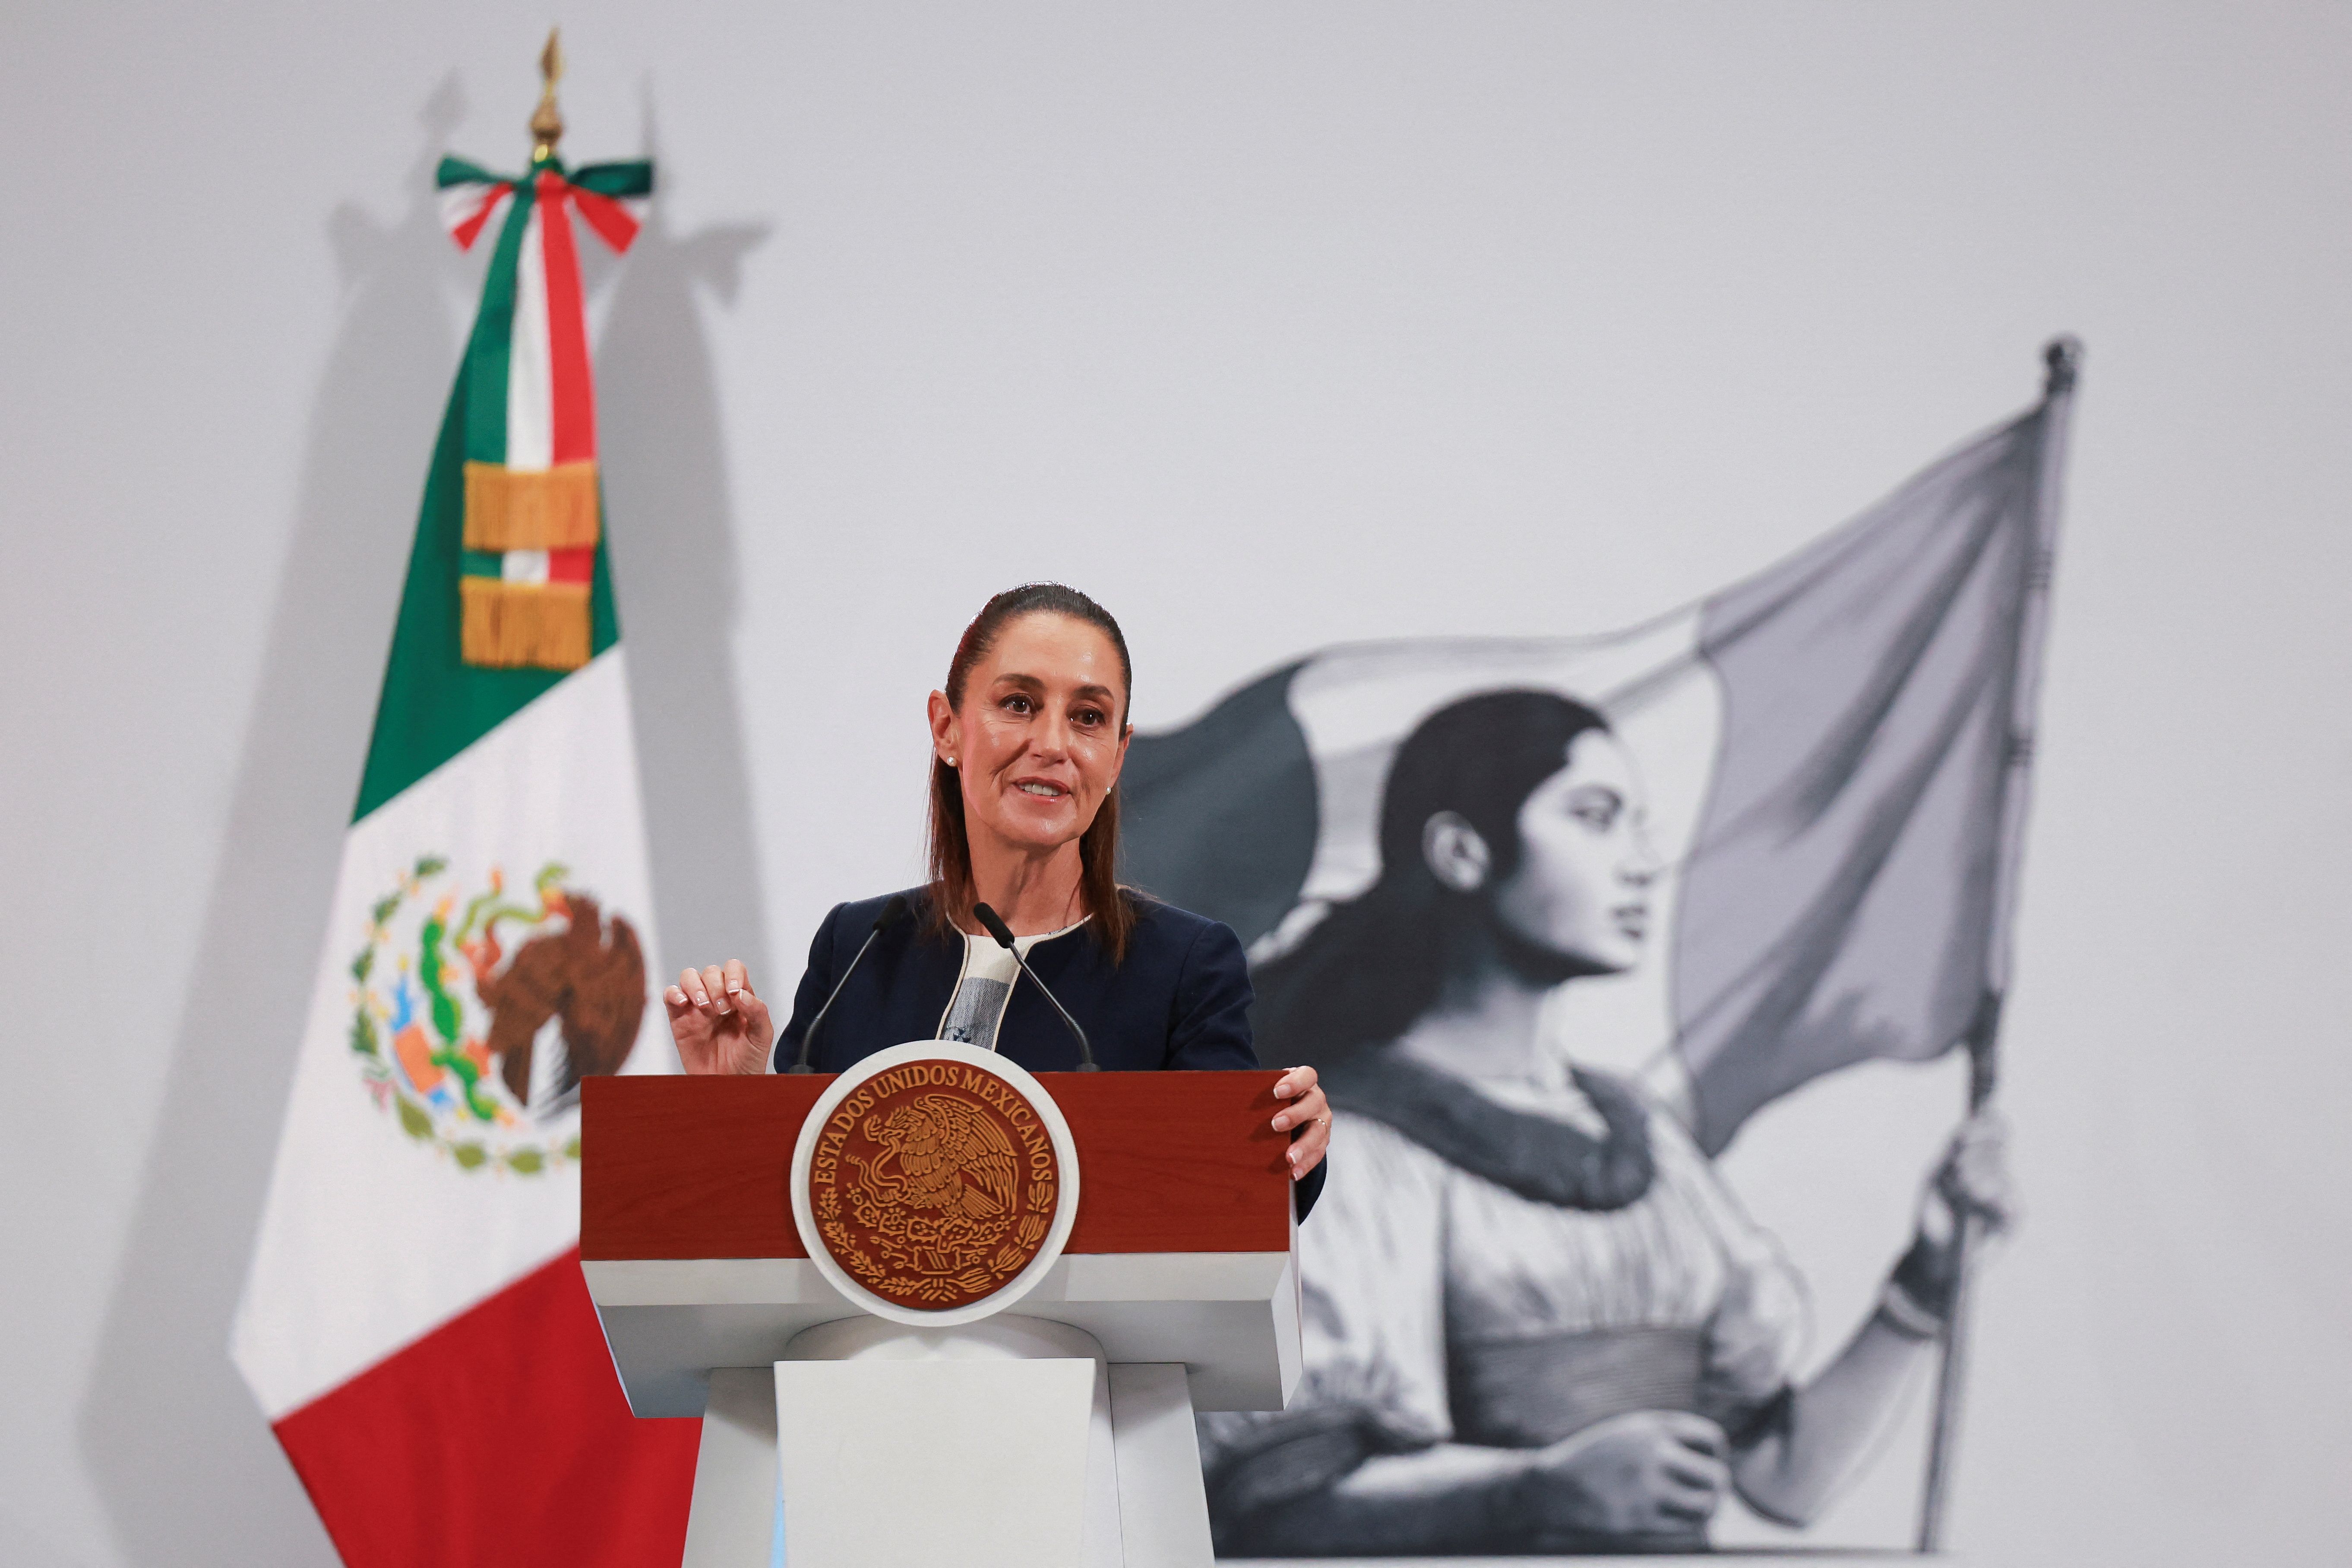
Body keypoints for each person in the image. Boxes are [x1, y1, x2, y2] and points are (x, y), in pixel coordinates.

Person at [1198, 690, 2012, 1555]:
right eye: (1595, 817)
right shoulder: (1347, 1148)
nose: (1640, 863)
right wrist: (1538, 1487)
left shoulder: (1647, 1142)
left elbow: (1784, 1478)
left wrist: (1924, 1283)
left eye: (1637, 824)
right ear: (1462, 851)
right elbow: (1284, 1509)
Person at [662, 582, 1330, 1209]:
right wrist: (735, 1098)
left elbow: (1237, 1204)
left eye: (1089, 717)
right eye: (1019, 705)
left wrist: (1295, 1143)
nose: (1053, 744)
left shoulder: (1184, 964)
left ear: (1119, 755)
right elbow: (792, 1212)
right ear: (947, 728)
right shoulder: (859, 947)